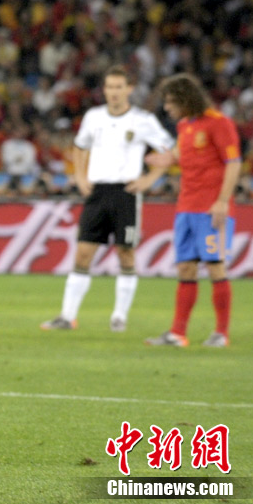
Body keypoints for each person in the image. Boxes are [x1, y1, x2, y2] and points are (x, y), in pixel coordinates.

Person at [41, 65, 174, 333]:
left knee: (125, 253)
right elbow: (80, 146)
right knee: (83, 253)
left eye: (119, 87)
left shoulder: (143, 120)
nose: (114, 92)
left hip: (126, 192)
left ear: (129, 89)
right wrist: (80, 176)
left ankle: (119, 316)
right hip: (98, 191)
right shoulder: (94, 117)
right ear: (104, 90)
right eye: (110, 87)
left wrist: (150, 179)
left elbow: (169, 150)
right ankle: (67, 316)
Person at [144, 73, 241, 348]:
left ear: (186, 99)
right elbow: (179, 154)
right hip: (186, 207)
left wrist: (222, 201)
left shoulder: (219, 123)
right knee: (185, 267)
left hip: (212, 209)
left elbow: (233, 162)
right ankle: (177, 333)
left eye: (170, 102)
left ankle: (221, 333)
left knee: (215, 266)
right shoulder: (185, 125)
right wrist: (164, 159)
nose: (166, 107)